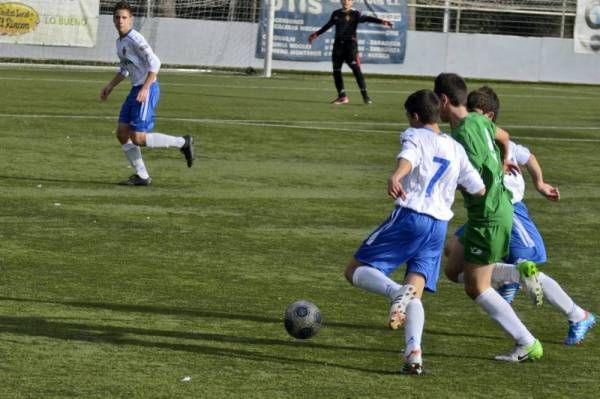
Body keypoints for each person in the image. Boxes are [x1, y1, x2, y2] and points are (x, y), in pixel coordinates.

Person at [344, 89, 485, 375]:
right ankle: (414, 354)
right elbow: (478, 188)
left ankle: (396, 291)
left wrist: (397, 175)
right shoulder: (455, 147)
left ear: (415, 117)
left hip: (411, 216)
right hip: (438, 226)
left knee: (354, 269)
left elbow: (409, 156)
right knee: (416, 292)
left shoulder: (415, 135)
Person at [444, 85, 596, 345]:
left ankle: (577, 314)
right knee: (452, 259)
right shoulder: (471, 135)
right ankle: (508, 277)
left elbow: (527, 156)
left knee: (526, 267)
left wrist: (540, 183)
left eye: (476, 113)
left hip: (508, 212)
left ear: (489, 117)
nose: (471, 117)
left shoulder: (495, 139)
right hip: (482, 214)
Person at [434, 73, 544, 363]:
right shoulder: (479, 120)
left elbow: (474, 182)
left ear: (444, 101)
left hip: (487, 215)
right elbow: (504, 136)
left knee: (476, 287)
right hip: (497, 209)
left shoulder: (459, 138)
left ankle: (526, 342)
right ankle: (515, 273)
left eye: (437, 104)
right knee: (453, 267)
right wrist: (506, 158)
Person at [100, 1, 194, 186]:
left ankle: (183, 142)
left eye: (124, 17)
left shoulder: (136, 39)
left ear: (131, 20)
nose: (121, 21)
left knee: (138, 138)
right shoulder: (120, 42)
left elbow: (156, 63)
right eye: (117, 17)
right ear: (113, 20)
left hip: (147, 88)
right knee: (121, 133)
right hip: (136, 88)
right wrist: (110, 85)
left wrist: (145, 88)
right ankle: (142, 176)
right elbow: (125, 69)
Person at [308, 0, 392, 105]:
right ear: (341, 1)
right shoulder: (336, 13)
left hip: (350, 46)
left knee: (356, 70)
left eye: (348, 0)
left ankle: (365, 96)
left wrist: (381, 21)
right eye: (344, 0)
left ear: (352, 2)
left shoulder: (355, 13)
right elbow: (328, 25)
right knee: (336, 71)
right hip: (338, 46)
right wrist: (316, 34)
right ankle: (342, 97)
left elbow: (367, 18)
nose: (346, 2)